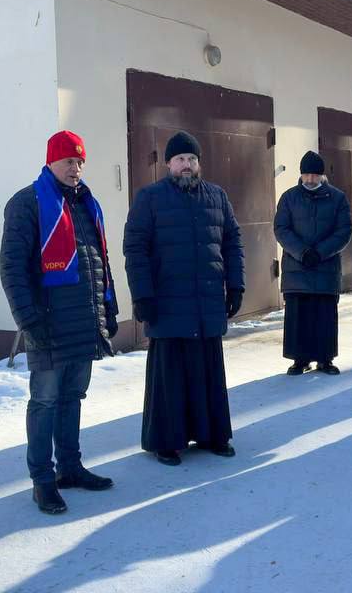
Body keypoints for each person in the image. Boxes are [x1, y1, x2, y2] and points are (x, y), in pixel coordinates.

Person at [0, 130, 119, 515]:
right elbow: (12, 267)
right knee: (45, 401)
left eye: (81, 161)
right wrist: (27, 318)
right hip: (47, 324)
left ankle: (70, 467)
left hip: (83, 321)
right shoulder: (27, 203)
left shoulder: (86, 204)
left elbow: (98, 260)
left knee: (72, 397)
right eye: (69, 161)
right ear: (51, 161)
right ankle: (42, 480)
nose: (76, 168)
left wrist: (108, 308)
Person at [123, 131, 245, 466]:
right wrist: (142, 295)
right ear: (168, 164)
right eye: (180, 160)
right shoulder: (149, 198)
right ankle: (167, 441)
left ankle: (212, 435)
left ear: (199, 163)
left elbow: (232, 243)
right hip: (168, 304)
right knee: (171, 376)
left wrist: (236, 286)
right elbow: (135, 249)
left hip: (206, 304)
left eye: (192, 159)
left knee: (208, 373)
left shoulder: (217, 197)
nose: (186, 165)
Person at [274, 151, 352, 375]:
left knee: (325, 316)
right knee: (298, 316)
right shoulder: (289, 197)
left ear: (322, 176)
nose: (310, 179)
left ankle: (325, 359)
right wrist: (302, 252)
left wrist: (320, 252)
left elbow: (344, 230)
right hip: (296, 268)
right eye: (306, 175)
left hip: (325, 267)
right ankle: (300, 359)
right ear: (301, 175)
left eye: (314, 175)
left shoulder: (337, 198)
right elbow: (281, 228)